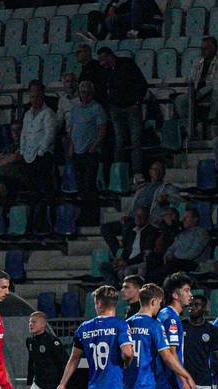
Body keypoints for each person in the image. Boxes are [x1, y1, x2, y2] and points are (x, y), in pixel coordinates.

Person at [95, 46, 149, 178]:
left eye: (103, 60)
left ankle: (137, 172)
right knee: (119, 142)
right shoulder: (105, 72)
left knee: (136, 141)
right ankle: (118, 174)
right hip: (115, 109)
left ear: (109, 56)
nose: (101, 64)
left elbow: (142, 83)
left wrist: (137, 100)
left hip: (131, 107)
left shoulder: (127, 64)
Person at [67, 80, 108, 225]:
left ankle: (93, 216)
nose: (84, 95)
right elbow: (72, 129)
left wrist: (94, 146)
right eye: (82, 92)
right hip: (77, 152)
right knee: (81, 187)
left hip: (90, 153)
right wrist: (71, 147)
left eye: (87, 92)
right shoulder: (75, 109)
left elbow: (102, 130)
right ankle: (84, 216)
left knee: (89, 185)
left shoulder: (97, 108)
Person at [175, 36, 218, 136]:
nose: (203, 51)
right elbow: (192, 78)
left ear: (214, 49)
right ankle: (189, 125)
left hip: (211, 92)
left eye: (205, 48)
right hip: (197, 91)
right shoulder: (198, 62)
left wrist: (205, 81)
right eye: (202, 48)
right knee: (180, 100)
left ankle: (212, 117)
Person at [21, 80, 58, 202]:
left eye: (37, 96)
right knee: (32, 191)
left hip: (42, 156)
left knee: (46, 189)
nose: (34, 99)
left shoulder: (48, 113)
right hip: (28, 156)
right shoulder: (27, 114)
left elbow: (50, 134)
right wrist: (22, 150)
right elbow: (24, 133)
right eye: (32, 96)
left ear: (42, 95)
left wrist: (41, 151)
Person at [106, 206, 160, 282]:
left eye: (141, 216)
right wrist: (121, 259)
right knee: (104, 266)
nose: (138, 218)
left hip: (139, 262)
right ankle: (116, 286)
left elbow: (145, 253)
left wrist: (127, 262)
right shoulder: (131, 232)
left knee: (126, 271)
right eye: (137, 215)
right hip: (127, 261)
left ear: (147, 217)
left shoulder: (151, 232)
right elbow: (126, 249)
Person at [155, 207, 210, 279]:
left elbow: (194, 252)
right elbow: (172, 247)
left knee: (169, 267)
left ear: (195, 219)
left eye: (187, 217)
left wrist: (176, 258)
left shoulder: (201, 233)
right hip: (176, 262)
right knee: (154, 258)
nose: (183, 219)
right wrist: (168, 254)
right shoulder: (181, 234)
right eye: (183, 217)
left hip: (192, 263)